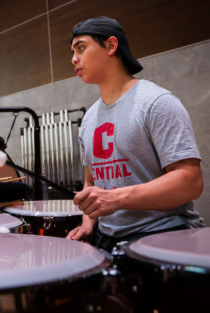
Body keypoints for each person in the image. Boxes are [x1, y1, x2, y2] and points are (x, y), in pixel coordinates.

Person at [66, 16, 204, 252]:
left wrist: (117, 198)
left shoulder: (157, 102)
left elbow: (190, 182)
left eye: (81, 47)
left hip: (162, 233)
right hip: (106, 237)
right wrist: (88, 222)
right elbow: (92, 182)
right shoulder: (89, 119)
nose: (73, 59)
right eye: (72, 51)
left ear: (111, 45)